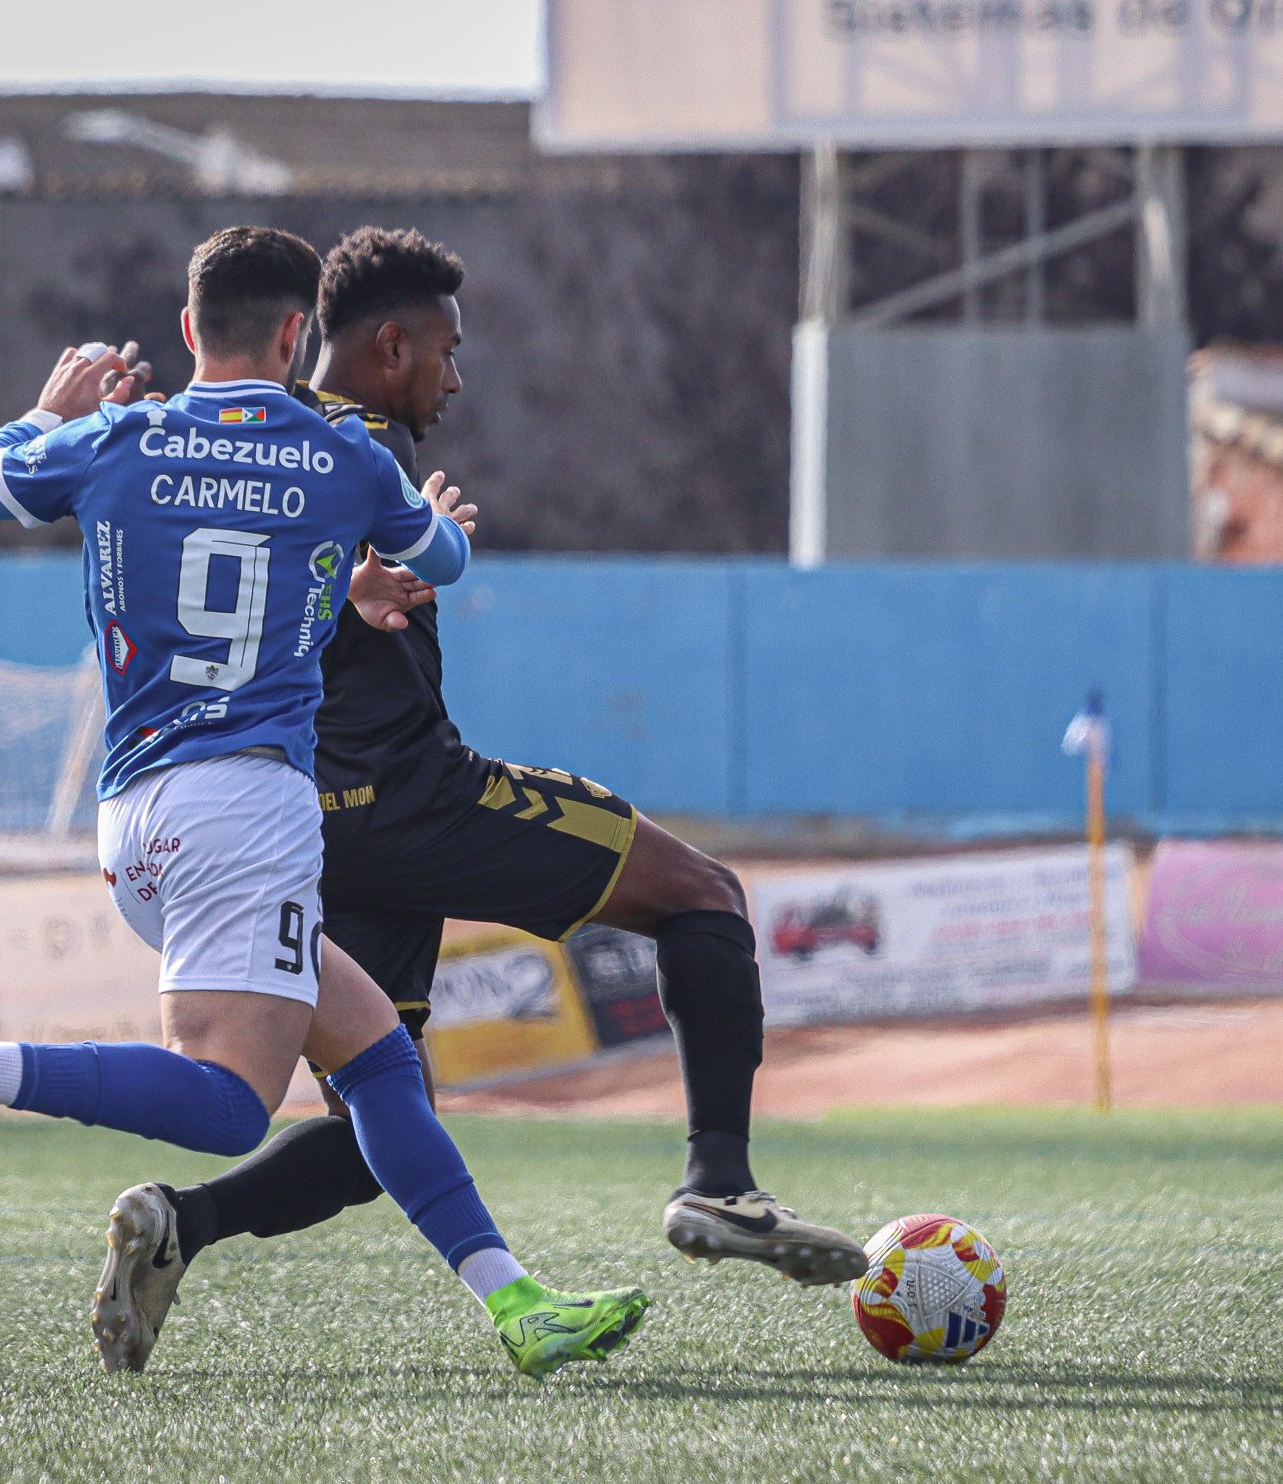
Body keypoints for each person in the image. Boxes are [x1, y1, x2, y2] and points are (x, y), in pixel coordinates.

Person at [0, 226, 650, 1380]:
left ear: (189, 328)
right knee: (234, 1105)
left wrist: (39, 415)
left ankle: (518, 1303)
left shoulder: (116, 436)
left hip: (137, 815)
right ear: (296, 334)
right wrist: (368, 552)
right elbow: (442, 556)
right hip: (247, 812)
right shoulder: (340, 454)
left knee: (378, 1061)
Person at [151, 226, 867, 1291]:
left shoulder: (246, 447)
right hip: (414, 796)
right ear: (389, 346)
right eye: (444, 352)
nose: (453, 379)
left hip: (307, 828)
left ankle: (177, 1221)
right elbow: (346, 567)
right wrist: (373, 571)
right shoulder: (355, 442)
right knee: (703, 894)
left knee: (381, 1125)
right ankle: (719, 1180)